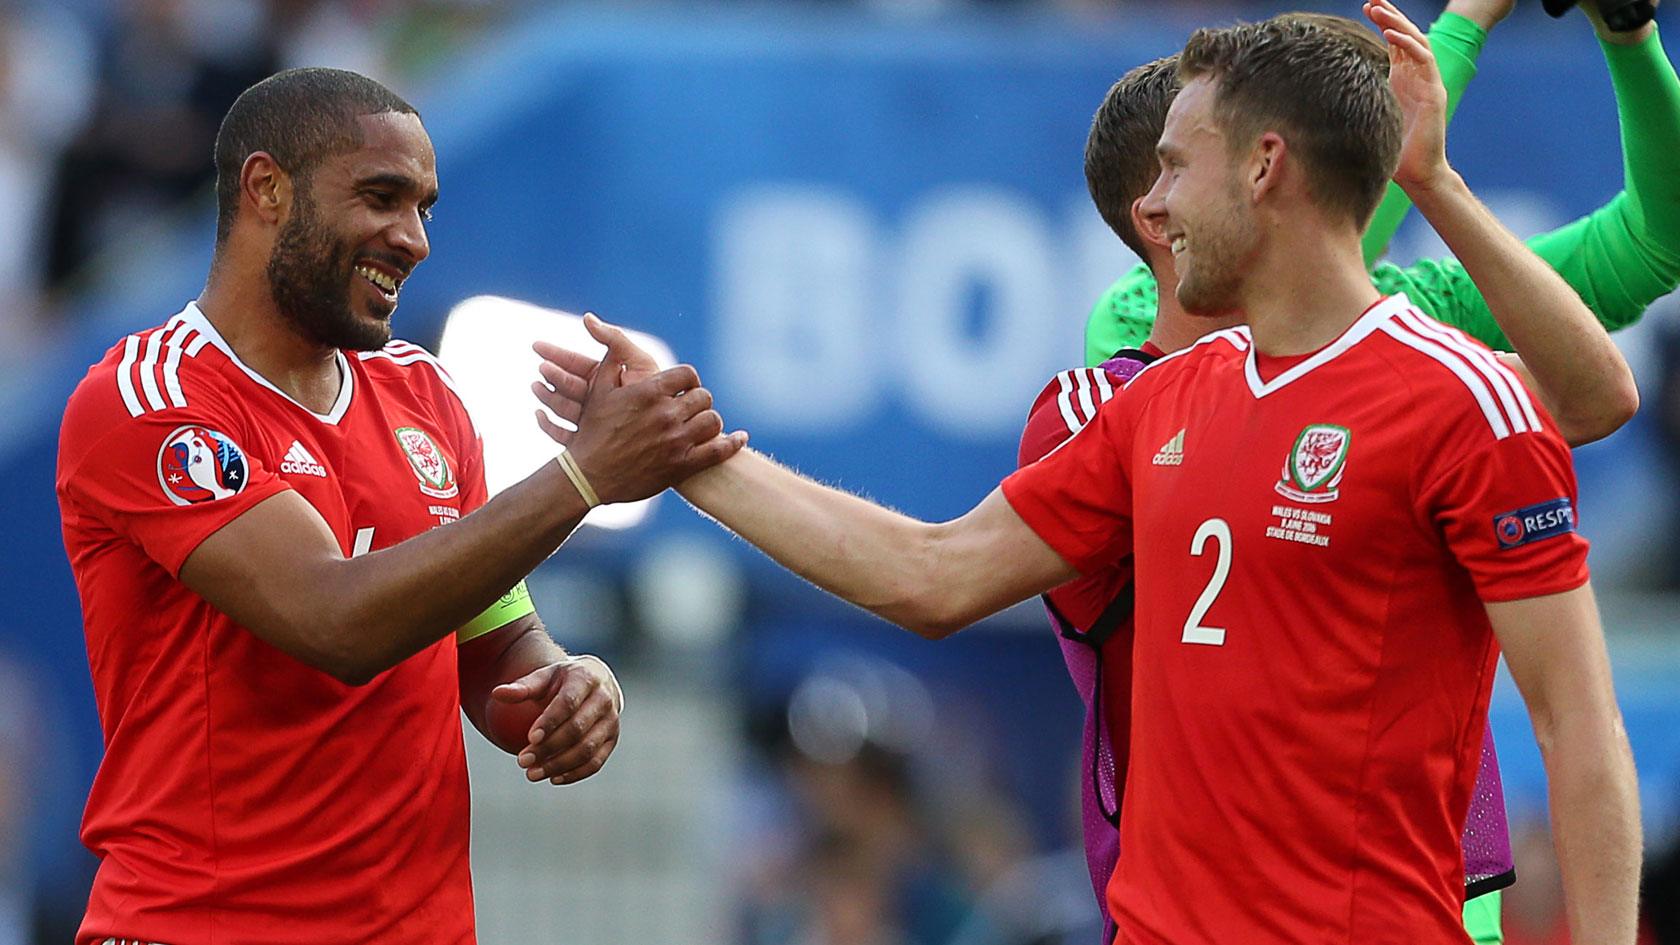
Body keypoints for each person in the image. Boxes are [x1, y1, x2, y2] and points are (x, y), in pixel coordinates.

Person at [533, 5, 1640, 942]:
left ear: (1264, 168)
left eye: (1171, 165)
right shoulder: (1155, 399)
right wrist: (687, 458)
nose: (1148, 206)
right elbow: (935, 572)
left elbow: (1577, 732)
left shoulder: (1459, 397)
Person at [54, 68, 744, 945]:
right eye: (381, 198)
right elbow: (337, 621)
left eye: (424, 207)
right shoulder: (151, 399)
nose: (413, 239)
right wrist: (583, 477)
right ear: (267, 188)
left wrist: (565, 689)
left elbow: (491, 646)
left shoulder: (426, 397)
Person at [1035, 1, 1675, 940]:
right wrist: (1462, 28)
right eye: (1174, 162)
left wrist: (1629, 41)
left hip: (1429, 892)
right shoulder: (1132, 359)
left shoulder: (1429, 317)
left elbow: (1646, 267)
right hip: (1207, 909)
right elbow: (1310, 260)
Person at [1085, 0, 1680, 377]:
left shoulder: (1420, 309)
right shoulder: (1139, 320)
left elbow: (1656, 245)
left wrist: (1630, 38)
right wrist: (1469, 20)